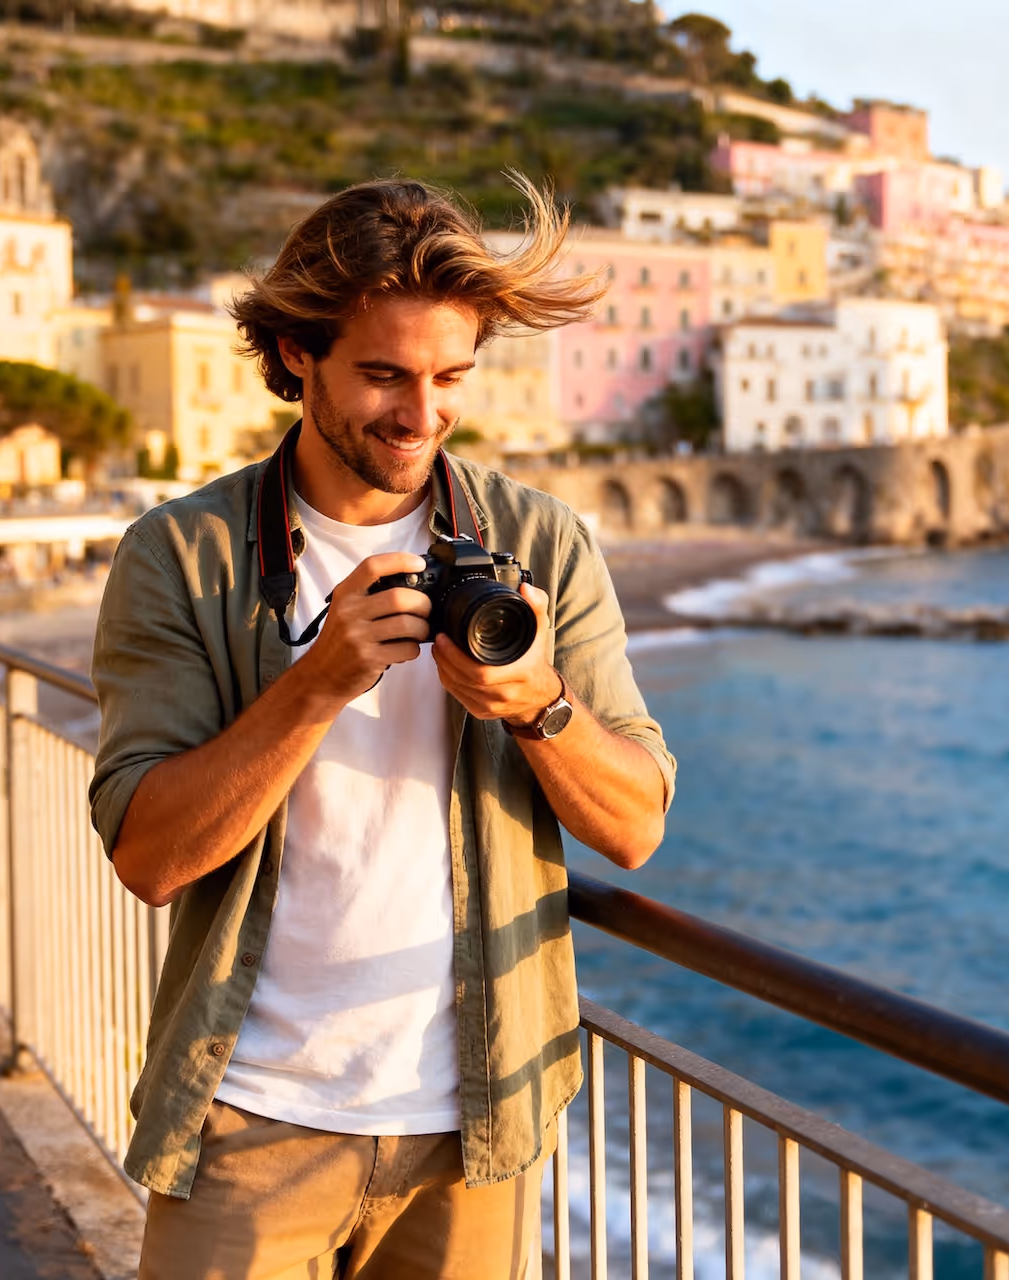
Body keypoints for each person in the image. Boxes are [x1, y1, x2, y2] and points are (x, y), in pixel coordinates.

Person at [88, 175, 675, 1279]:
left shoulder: (537, 544)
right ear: (297, 353)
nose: (421, 414)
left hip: (475, 1123)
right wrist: (314, 683)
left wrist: (539, 707)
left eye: (450, 376)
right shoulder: (183, 556)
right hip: (251, 1116)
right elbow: (152, 855)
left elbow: (637, 823)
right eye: (383, 375)